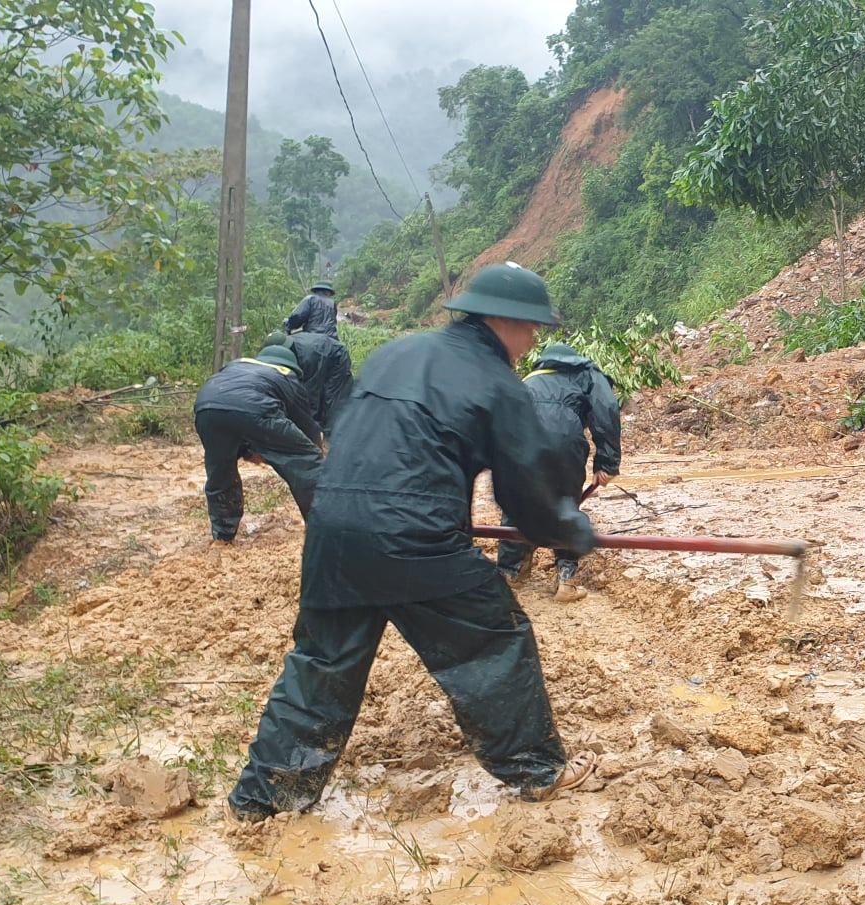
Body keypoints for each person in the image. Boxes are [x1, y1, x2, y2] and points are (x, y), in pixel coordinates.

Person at [229, 263, 600, 821]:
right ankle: (536, 770)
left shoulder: (396, 354)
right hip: (415, 538)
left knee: (320, 665)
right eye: (531, 329)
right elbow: (526, 492)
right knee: (494, 641)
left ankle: (266, 802)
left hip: (332, 530)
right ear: (504, 321)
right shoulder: (498, 382)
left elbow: (361, 437)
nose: (532, 344)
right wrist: (571, 530)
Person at [496, 342, 621, 602]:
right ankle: (566, 581)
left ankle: (510, 574)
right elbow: (605, 411)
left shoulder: (530, 379)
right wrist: (607, 462)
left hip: (522, 447)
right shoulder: (587, 374)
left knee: (517, 506)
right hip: (564, 445)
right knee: (565, 507)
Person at [192, 343, 324, 544]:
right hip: (254, 408)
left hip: (206, 406)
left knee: (221, 471)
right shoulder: (287, 376)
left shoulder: (237, 364)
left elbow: (233, 415)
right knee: (306, 460)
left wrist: (249, 449)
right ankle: (323, 528)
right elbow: (307, 429)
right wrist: (317, 454)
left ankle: (223, 535)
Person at [265, 326, 352, 431]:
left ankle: (331, 434)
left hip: (336, 357)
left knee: (331, 398)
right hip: (320, 357)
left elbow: (312, 392)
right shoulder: (287, 351)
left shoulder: (307, 357)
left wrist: (309, 427)